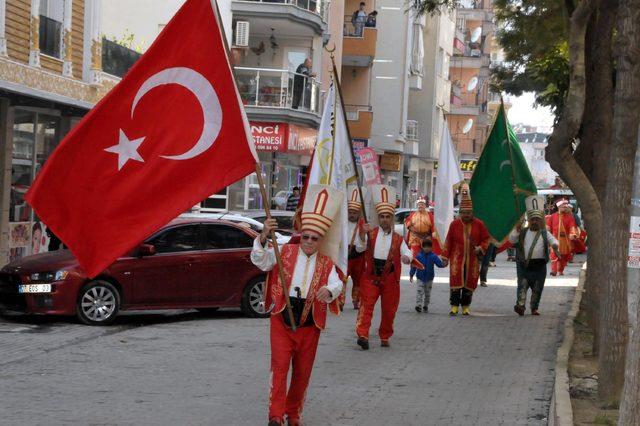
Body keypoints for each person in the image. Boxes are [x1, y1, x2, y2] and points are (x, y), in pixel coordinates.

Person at [251, 184, 344, 426]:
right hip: (282, 318)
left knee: (302, 374)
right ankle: (275, 415)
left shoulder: (326, 263)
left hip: (310, 324)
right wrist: (262, 236)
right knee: (280, 368)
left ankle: (293, 415)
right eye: (306, 237)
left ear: (320, 239)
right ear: (300, 235)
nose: (309, 242)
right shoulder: (285, 251)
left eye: (314, 238)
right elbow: (260, 261)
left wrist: (330, 290)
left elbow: (338, 284)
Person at [355, 185, 412, 349]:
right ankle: (363, 335)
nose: (385, 219)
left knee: (389, 310)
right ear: (378, 218)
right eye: (382, 216)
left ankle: (385, 336)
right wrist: (361, 234)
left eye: (388, 216)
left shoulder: (398, 238)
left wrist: (407, 258)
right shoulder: (370, 233)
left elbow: (407, 251)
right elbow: (360, 248)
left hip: (389, 278)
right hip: (371, 276)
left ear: (392, 218)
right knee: (366, 306)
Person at [441, 185, 491, 316]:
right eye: (464, 213)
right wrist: (445, 257)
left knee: (469, 284)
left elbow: (487, 239)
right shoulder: (454, 224)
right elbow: (448, 241)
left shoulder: (479, 224)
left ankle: (466, 307)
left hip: (472, 260)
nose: (466, 215)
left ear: (472, 212)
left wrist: (481, 247)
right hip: (457, 260)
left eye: (469, 213)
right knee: (456, 284)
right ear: (460, 212)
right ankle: (454, 306)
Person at [509, 195, 561, 316]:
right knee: (522, 286)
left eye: (537, 219)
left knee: (537, 288)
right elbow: (512, 240)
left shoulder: (544, 232)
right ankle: (520, 306)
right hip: (524, 265)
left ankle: (534, 308)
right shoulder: (522, 231)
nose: (535, 221)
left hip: (539, 266)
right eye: (533, 219)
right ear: (530, 220)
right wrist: (516, 229)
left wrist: (554, 245)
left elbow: (553, 240)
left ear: (540, 220)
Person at [344, 187, 368, 310]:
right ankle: (340, 302)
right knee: (341, 279)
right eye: (350, 212)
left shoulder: (362, 224)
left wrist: (363, 237)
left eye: (354, 212)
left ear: (358, 212)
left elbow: (364, 245)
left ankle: (356, 301)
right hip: (344, 255)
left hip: (358, 256)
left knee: (358, 280)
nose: (352, 214)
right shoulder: (342, 223)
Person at [546, 199, 579, 276]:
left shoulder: (570, 217)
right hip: (554, 238)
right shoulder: (552, 216)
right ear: (559, 207)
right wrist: (547, 228)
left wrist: (572, 234)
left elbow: (572, 226)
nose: (564, 208)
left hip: (565, 240)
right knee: (553, 254)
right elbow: (548, 228)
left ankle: (560, 270)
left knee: (563, 256)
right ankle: (553, 271)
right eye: (563, 206)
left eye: (565, 206)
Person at [404, 197, 434, 282]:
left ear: (425, 206)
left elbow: (433, 225)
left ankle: (424, 273)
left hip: (426, 238)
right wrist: (408, 223)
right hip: (415, 238)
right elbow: (407, 222)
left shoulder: (429, 215)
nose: (420, 206)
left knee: (426, 257)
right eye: (419, 204)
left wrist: (433, 233)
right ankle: (412, 274)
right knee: (415, 257)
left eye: (422, 204)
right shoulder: (413, 214)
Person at [414, 239, 446, 313]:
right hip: (420, 277)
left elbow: (439, 264)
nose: (427, 248)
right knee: (419, 291)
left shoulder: (433, 256)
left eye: (428, 247)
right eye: (425, 247)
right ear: (422, 247)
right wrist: (411, 274)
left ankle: (426, 305)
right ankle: (418, 305)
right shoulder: (418, 256)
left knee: (427, 293)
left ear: (431, 248)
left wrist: (443, 264)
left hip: (429, 278)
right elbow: (414, 265)